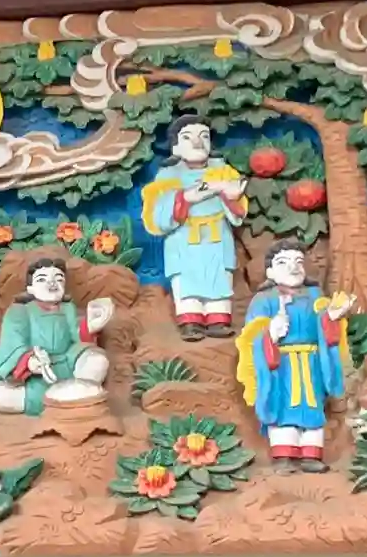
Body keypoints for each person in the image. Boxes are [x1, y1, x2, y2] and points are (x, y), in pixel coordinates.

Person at [236, 241, 354, 470]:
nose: (293, 267)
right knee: (283, 405)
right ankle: (284, 454)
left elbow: (325, 326)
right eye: (283, 262)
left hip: (311, 363)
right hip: (281, 366)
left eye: (298, 262)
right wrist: (271, 332)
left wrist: (331, 318)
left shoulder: (315, 296)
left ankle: (311, 454)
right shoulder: (264, 300)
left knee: (312, 405)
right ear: (270, 271)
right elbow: (251, 336)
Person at [141, 116, 247, 340]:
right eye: (188, 138)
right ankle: (191, 321)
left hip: (217, 237)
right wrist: (189, 197)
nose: (198, 142)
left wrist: (231, 196)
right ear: (176, 146)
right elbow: (158, 214)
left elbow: (239, 211)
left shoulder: (224, 172)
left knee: (219, 279)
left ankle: (218, 320)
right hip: (184, 238)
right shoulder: (167, 176)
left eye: (204, 136)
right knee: (186, 281)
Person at [0, 256, 113, 414]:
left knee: (98, 360)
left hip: (67, 365)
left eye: (59, 279)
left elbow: (77, 340)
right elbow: (11, 341)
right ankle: (69, 399)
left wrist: (91, 326)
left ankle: (77, 392)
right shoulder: (19, 311)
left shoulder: (68, 309)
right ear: (30, 288)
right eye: (42, 279)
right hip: (33, 373)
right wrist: (29, 362)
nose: (52, 283)